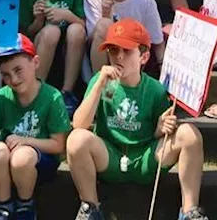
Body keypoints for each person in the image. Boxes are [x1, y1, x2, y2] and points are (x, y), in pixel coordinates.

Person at [66, 19, 208, 220]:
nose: (119, 56)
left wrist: (161, 129)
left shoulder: (155, 90)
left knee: (189, 134)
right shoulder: (101, 82)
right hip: (111, 158)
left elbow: (158, 133)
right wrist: (98, 86)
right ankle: (91, 208)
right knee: (76, 139)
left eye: (127, 50)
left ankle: (189, 211)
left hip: (145, 159)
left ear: (144, 56)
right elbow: (79, 125)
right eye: (113, 50)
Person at [0, 35, 71, 220]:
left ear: (35, 63)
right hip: (7, 163)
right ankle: (4, 207)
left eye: (18, 70)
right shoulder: (2, 97)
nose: (13, 79)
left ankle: (25, 206)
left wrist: (26, 141)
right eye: (5, 74)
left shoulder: (52, 97)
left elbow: (58, 146)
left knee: (22, 157)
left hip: (40, 164)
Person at [17, 0, 88, 113]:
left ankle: (67, 92)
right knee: (51, 31)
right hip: (42, 44)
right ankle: (36, 91)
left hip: (71, 46)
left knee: (76, 29)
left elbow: (86, 26)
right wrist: (38, 20)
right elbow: (25, 34)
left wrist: (68, 16)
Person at [82, 0, 165, 78]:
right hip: (102, 53)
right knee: (104, 24)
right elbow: (92, 36)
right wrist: (105, 13)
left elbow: (157, 41)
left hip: (132, 54)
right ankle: (100, 85)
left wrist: (163, 73)